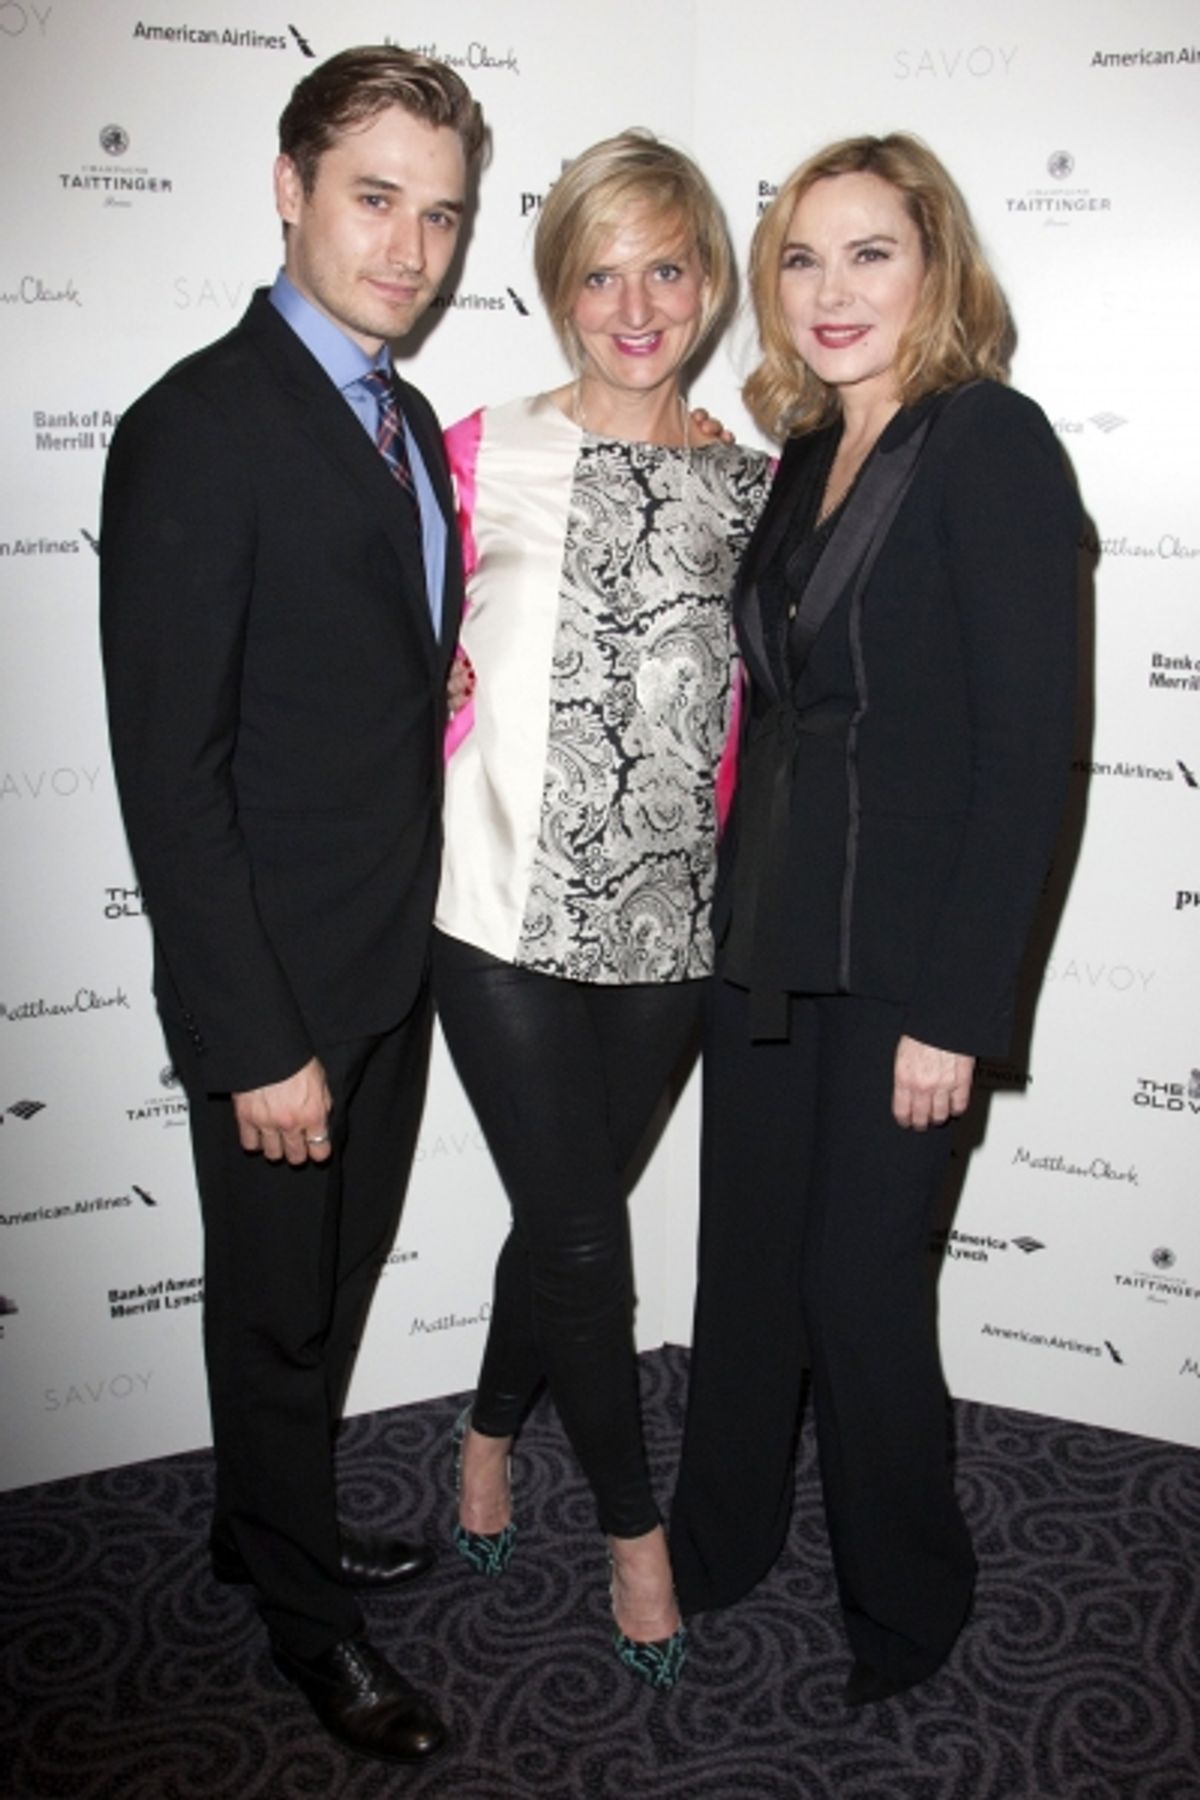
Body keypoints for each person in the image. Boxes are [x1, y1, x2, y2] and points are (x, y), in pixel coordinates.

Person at [100, 46, 484, 1766]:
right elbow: (169, 774)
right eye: (374, 198)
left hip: (389, 960)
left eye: (442, 215)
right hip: (277, 988)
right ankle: (307, 1627)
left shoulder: (395, 416)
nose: (411, 247)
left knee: (324, 1300)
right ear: (289, 188)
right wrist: (255, 1038)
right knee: (273, 1317)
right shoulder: (198, 425)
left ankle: (269, 1530)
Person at [668, 133, 1079, 1705]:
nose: (831, 289)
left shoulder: (991, 444)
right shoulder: (801, 449)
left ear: (936, 267)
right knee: (745, 1266)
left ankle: (911, 1601)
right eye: (801, 257)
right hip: (769, 937)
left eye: (870, 253)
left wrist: (960, 1012)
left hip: (906, 966)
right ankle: (719, 1544)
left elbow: (1026, 755)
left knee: (858, 1290)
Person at [431, 131, 772, 1689]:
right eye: (600, 274)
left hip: (671, 927)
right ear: (558, 286)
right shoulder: (471, 451)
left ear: (707, 285)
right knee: (584, 1230)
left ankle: (487, 1429)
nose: (635, 308)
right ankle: (636, 1536)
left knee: (560, 1214)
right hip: (492, 904)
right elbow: (371, 639)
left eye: (667, 270)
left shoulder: (754, 484)